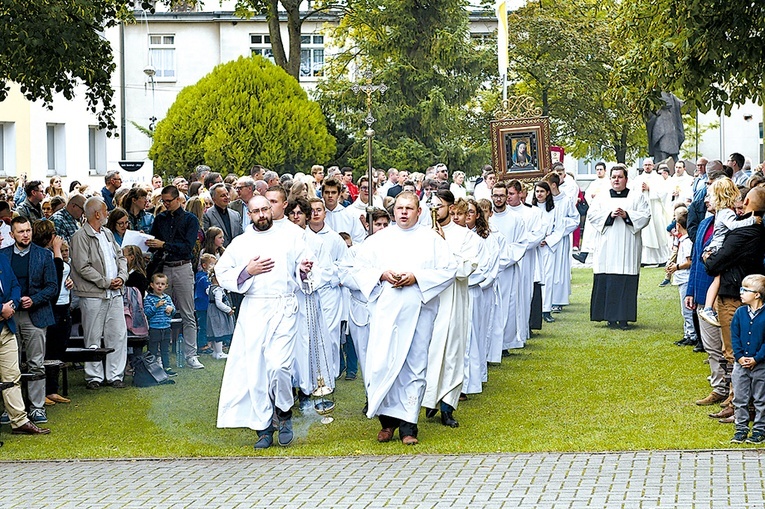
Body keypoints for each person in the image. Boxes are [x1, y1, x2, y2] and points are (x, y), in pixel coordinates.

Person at [344, 192, 456, 445]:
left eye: (409, 208)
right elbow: (357, 269)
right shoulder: (378, 240)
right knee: (383, 362)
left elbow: (449, 270)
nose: (404, 212)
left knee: (414, 364)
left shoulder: (433, 240)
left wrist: (417, 277)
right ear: (394, 211)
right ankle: (387, 422)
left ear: (418, 211)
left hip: (418, 310)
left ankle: (409, 426)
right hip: (386, 311)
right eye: (400, 208)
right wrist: (382, 275)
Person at [216, 195, 314, 449]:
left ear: (271, 210)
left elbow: (303, 264)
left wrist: (303, 269)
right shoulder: (241, 243)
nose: (261, 214)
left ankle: (283, 411)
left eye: (264, 209)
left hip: (284, 306)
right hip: (255, 308)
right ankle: (263, 428)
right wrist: (247, 271)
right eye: (255, 211)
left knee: (279, 365)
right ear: (249, 214)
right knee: (256, 369)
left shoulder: (291, 235)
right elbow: (222, 272)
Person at [422, 190, 481, 428]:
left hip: (453, 301)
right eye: (432, 206)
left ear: (450, 207)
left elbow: (464, 269)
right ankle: (427, 400)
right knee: (428, 350)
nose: (435, 211)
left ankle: (448, 405)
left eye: (440, 206)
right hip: (429, 300)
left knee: (452, 353)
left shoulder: (466, 237)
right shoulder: (424, 234)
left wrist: (443, 244)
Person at [0, 216, 58, 423]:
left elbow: (52, 287)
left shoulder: (44, 255)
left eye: (28, 231)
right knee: (10, 365)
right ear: (12, 234)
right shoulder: (3, 256)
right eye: (21, 231)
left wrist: (33, 299)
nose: (25, 235)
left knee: (36, 363)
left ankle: (37, 406)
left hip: (35, 315)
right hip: (9, 317)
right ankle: (12, 408)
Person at [70, 197, 129, 389]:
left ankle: (115, 375)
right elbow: (82, 266)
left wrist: (122, 276)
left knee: (118, 333)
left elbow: (120, 257)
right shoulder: (80, 236)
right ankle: (93, 376)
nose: (107, 214)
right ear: (97, 214)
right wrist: (106, 282)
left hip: (115, 292)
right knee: (93, 336)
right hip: (93, 294)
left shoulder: (107, 233)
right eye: (105, 211)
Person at [147, 185, 205, 370]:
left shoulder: (190, 219)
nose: (165, 204)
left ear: (178, 199)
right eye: (163, 201)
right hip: (164, 266)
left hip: (182, 266)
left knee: (188, 312)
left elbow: (187, 247)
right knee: (158, 311)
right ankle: (156, 355)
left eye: (168, 201)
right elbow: (154, 242)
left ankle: (191, 354)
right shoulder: (160, 218)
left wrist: (163, 244)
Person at [589, 165, 652, 329]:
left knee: (626, 281)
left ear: (626, 179)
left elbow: (646, 215)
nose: (616, 180)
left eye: (620, 177)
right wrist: (609, 215)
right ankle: (609, 317)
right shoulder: (601, 196)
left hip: (628, 245)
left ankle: (624, 318)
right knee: (608, 280)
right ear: (610, 179)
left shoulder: (637, 196)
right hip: (607, 246)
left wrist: (627, 215)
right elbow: (592, 215)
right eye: (614, 177)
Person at [698, 178, 761, 327]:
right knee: (717, 279)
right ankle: (708, 308)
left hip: (714, 247)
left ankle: (709, 307)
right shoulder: (727, 213)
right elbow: (734, 226)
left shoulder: (722, 212)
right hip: (717, 248)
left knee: (717, 279)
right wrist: (752, 221)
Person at [729, 274, 765, 444]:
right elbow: (734, 337)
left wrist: (756, 358)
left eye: (745, 290)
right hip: (740, 364)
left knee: (760, 398)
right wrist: (740, 356)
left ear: (757, 294)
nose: (741, 293)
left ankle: (759, 429)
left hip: (760, 365)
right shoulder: (739, 313)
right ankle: (741, 427)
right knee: (740, 397)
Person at [631, 158, 670, 265]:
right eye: (645, 165)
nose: (647, 167)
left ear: (653, 166)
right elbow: (633, 193)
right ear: (643, 166)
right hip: (643, 209)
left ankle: (662, 258)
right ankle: (644, 260)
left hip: (655, 209)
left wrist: (650, 189)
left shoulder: (658, 178)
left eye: (649, 165)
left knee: (658, 232)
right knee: (645, 233)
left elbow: (664, 192)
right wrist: (641, 190)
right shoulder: (638, 179)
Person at [143, 273, 177, 376]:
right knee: (153, 349)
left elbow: (173, 310)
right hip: (154, 328)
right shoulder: (149, 298)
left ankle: (166, 367)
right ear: (152, 285)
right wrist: (156, 306)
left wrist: (171, 310)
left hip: (166, 327)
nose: (160, 286)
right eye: (157, 283)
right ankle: (152, 368)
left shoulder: (167, 298)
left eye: (162, 284)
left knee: (165, 350)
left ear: (166, 286)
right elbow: (147, 312)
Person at [203, 183, 242, 247]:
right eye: (223, 195)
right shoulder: (207, 215)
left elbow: (241, 235)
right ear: (214, 199)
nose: (227, 197)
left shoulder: (236, 215)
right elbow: (207, 238)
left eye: (227, 194)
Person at [206, 269, 234, 360]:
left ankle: (215, 351)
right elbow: (219, 303)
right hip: (218, 314)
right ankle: (219, 352)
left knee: (214, 330)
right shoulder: (217, 290)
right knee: (219, 331)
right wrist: (228, 309)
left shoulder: (210, 288)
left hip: (211, 312)